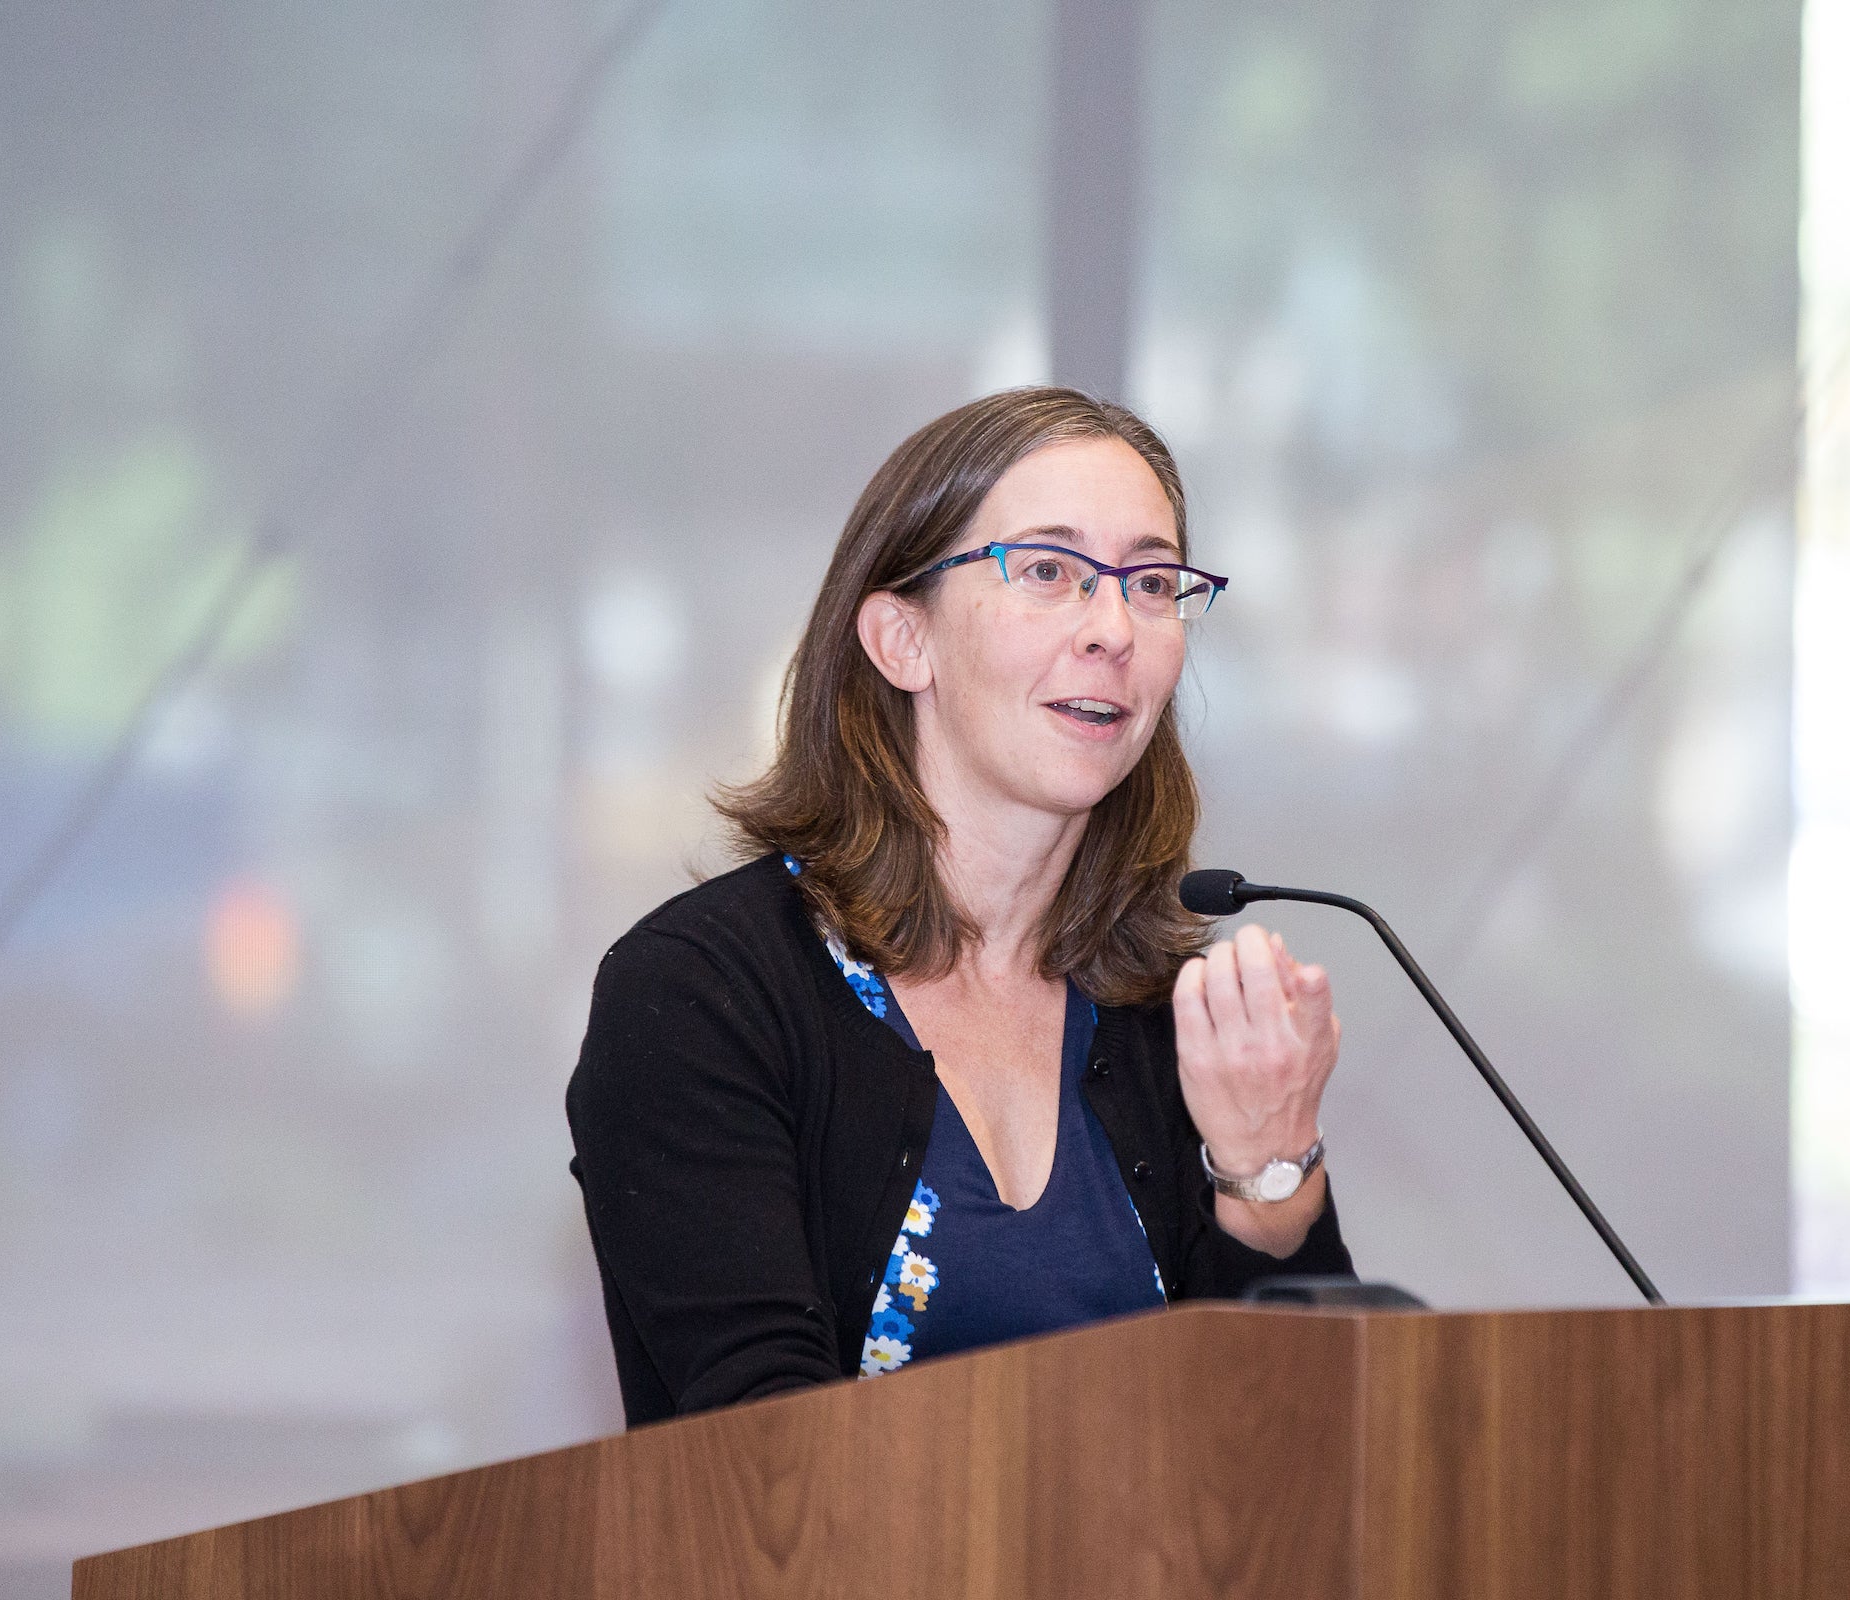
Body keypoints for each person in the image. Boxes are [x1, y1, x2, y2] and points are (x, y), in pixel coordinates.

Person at [566, 387, 1351, 1424]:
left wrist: (1267, 1169)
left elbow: (1313, 1451)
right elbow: (765, 1472)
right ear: (902, 641)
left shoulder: (1168, 1006)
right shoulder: (705, 994)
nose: (1114, 626)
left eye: (1153, 581)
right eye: (1048, 571)